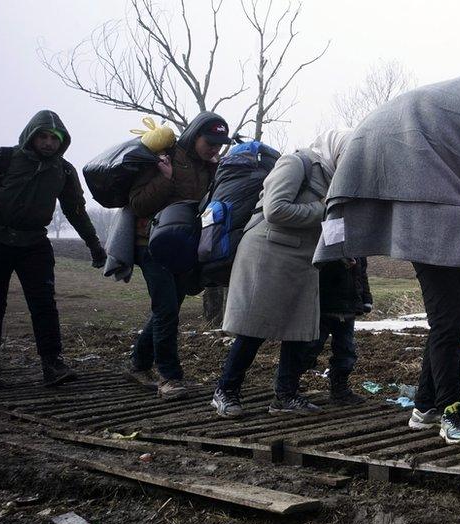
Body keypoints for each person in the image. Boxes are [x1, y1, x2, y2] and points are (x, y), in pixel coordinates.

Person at [313, 68, 460, 445]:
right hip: (429, 241)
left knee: (451, 325)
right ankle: (451, 411)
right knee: (448, 325)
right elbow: (422, 191)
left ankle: (424, 407)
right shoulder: (419, 136)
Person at [0, 110, 107, 387]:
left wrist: (95, 246)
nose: (49, 142)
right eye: (44, 136)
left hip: (33, 243)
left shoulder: (62, 170)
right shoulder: (2, 159)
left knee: (44, 305)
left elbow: (75, 210)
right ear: (31, 136)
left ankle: (52, 364)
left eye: (55, 138)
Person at [212, 130, 351, 416]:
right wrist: (323, 209)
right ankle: (225, 391)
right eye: (345, 157)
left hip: (304, 260)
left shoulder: (335, 178)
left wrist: (342, 250)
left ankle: (285, 396)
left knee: (298, 331)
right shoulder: (296, 162)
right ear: (335, 150)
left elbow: (332, 219)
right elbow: (275, 210)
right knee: (254, 328)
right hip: (268, 253)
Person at [126, 111, 230, 400]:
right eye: (209, 142)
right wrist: (166, 179)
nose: (214, 149)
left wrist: (216, 171)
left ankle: (137, 364)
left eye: (219, 144)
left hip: (184, 248)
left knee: (166, 309)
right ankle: (169, 378)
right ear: (195, 135)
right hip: (151, 244)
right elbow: (138, 203)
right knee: (167, 309)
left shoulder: (209, 166)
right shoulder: (162, 157)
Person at [295, 257, 373, 407]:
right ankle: (288, 385)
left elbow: (361, 273)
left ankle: (340, 390)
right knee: (309, 349)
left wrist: (366, 298)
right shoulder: (327, 242)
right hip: (324, 306)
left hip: (348, 308)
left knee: (346, 352)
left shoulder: (357, 244)